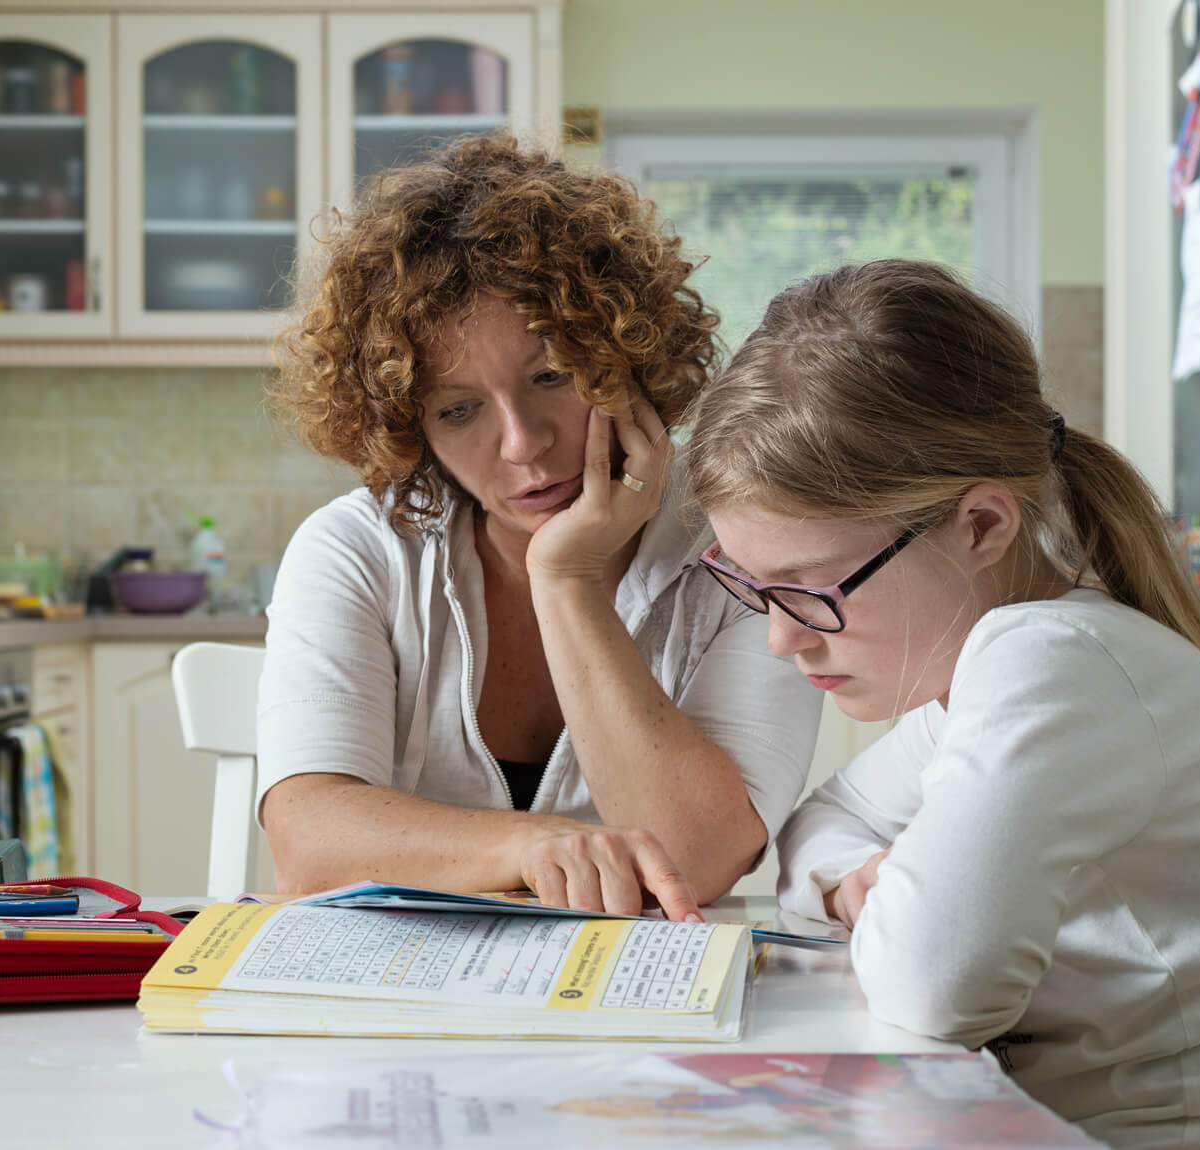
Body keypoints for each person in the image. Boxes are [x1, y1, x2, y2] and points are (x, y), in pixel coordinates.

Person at [683, 260, 1200, 1149]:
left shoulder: (1054, 662)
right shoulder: (999, 673)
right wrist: (857, 890)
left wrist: (890, 898)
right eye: (753, 588)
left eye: (809, 589)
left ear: (982, 525)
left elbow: (935, 986)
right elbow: (814, 829)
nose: (783, 639)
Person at [258, 135, 821, 920]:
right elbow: (308, 844)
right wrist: (529, 847)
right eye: (459, 409)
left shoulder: (747, 540)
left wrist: (566, 578)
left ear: (626, 353)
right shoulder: (357, 549)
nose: (522, 443)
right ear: (410, 427)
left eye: (552, 376)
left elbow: (695, 858)